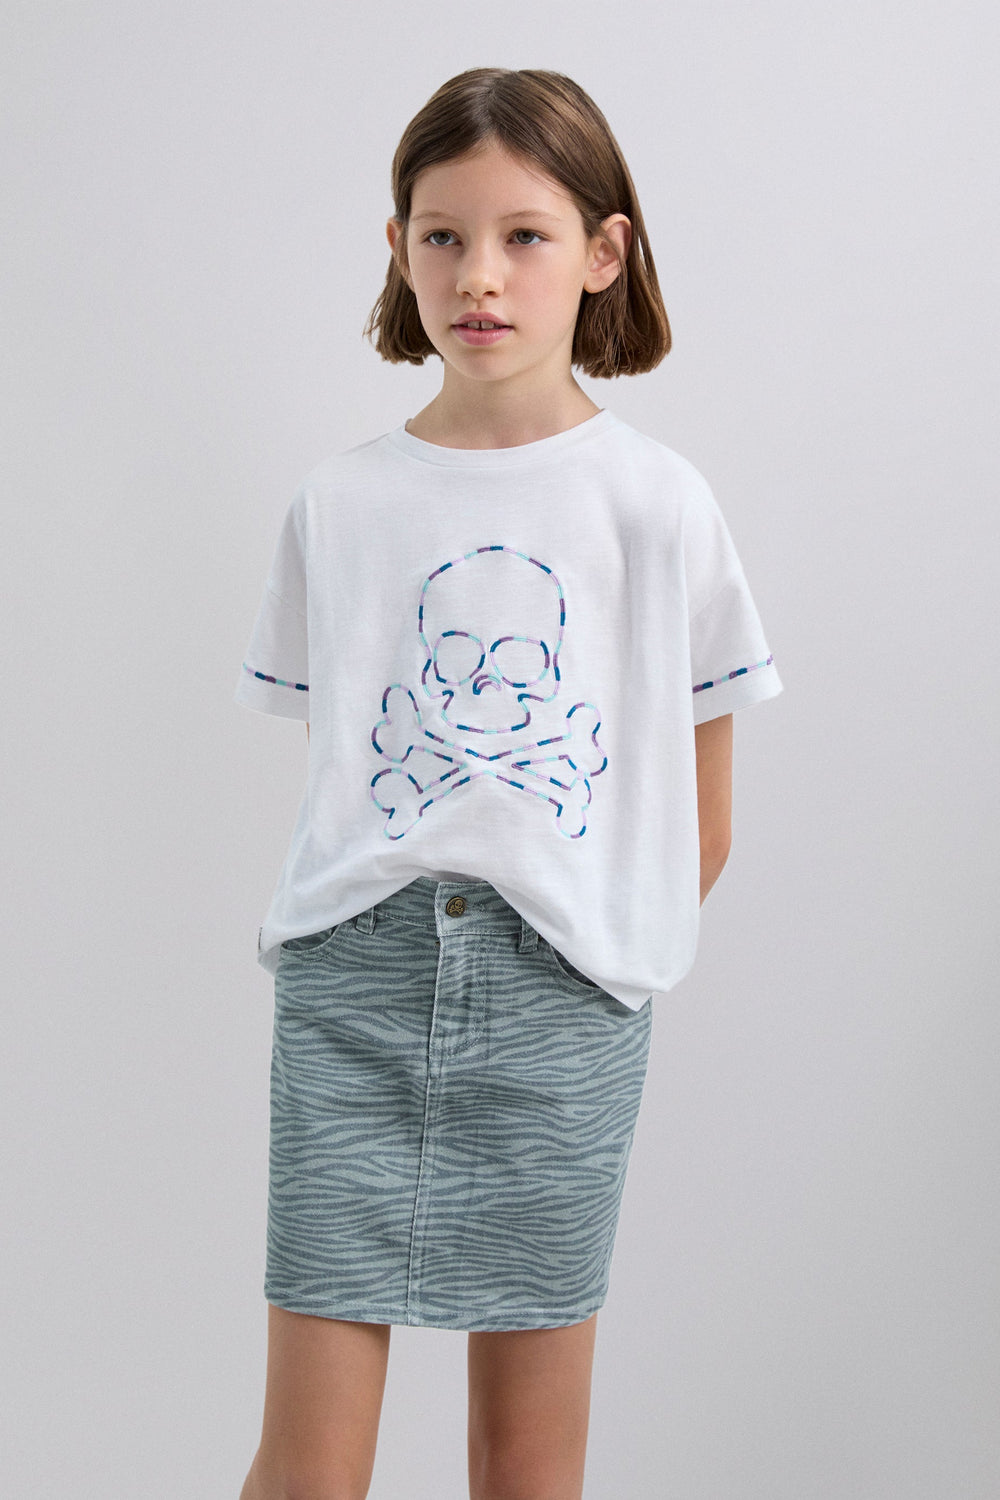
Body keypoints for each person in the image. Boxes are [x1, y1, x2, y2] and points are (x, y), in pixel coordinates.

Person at [235, 67, 782, 1500]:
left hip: (565, 1005)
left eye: (524, 235)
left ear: (603, 252)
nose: (479, 273)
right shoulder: (341, 503)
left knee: (529, 1466)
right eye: (443, 236)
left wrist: (596, 955)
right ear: (400, 250)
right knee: (309, 1462)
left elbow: (701, 813)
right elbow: (350, 774)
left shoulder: (657, 504)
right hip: (351, 993)